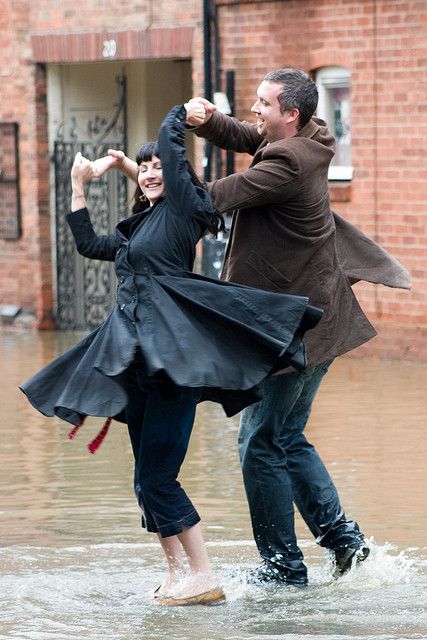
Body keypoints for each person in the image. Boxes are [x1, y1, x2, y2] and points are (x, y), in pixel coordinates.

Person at [20, 103, 323, 605]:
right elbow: (89, 243)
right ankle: (177, 571)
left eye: (160, 163)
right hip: (140, 366)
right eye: (146, 167)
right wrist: (79, 186)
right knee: (145, 481)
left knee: (159, 477)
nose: (153, 170)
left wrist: (181, 113)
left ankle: (204, 575)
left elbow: (171, 160)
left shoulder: (187, 209)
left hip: (173, 365)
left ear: (177, 174)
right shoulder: (141, 227)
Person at [184, 68, 411, 585]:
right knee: (286, 436)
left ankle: (283, 568)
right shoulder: (313, 135)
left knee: (259, 443)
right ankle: (346, 545)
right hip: (321, 324)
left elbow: (214, 196)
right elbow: (252, 138)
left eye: (264, 104)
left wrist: (157, 173)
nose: (255, 110)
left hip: (292, 331)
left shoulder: (288, 160)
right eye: (256, 102)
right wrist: (213, 122)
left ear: (291, 114)